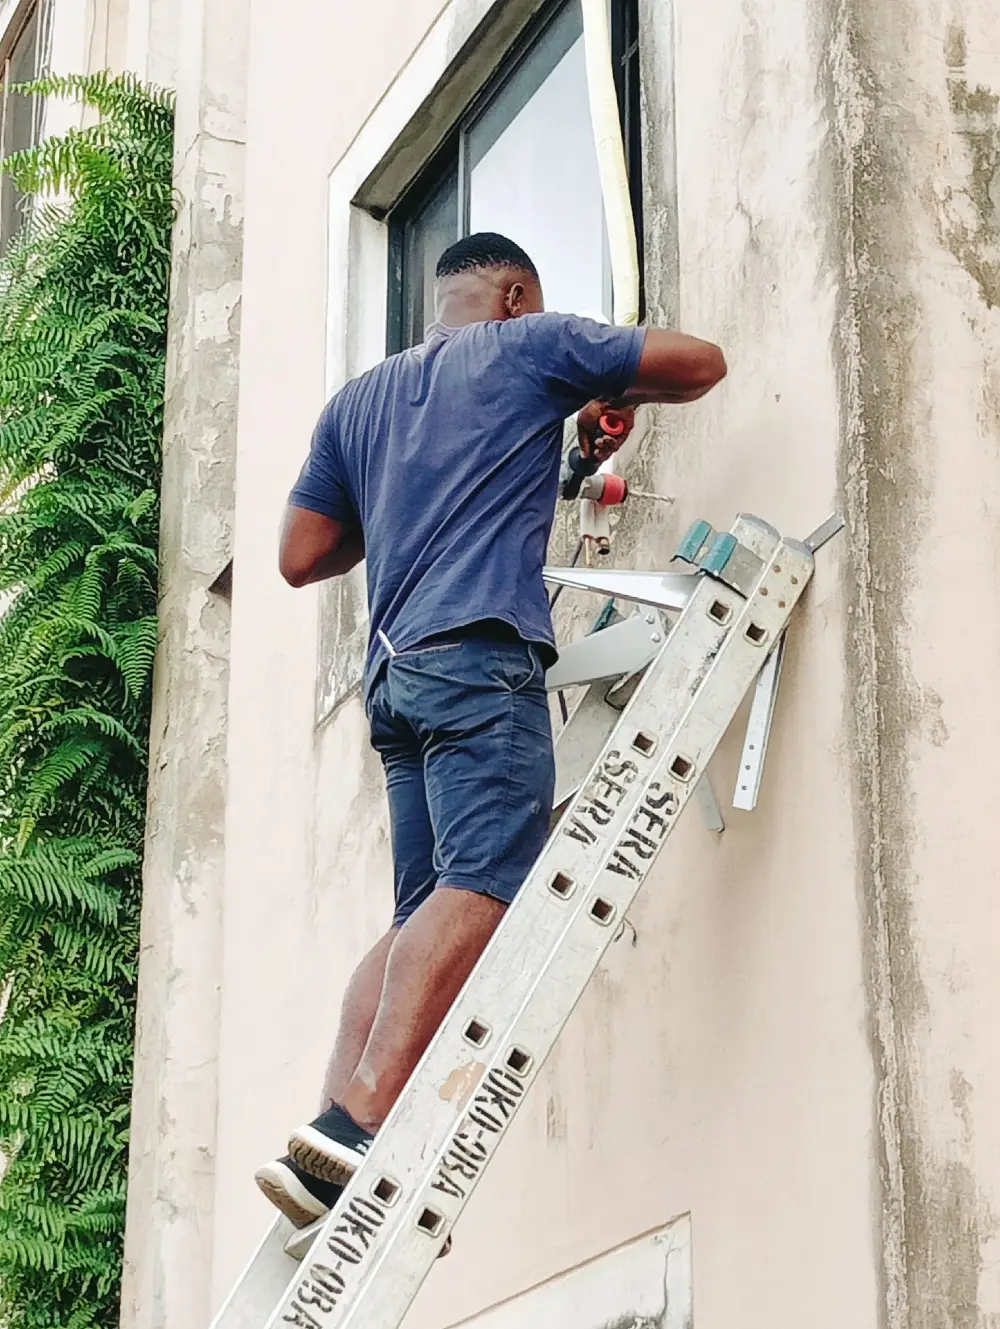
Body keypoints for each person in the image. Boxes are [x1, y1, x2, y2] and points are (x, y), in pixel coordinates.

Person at [254, 232, 726, 1227]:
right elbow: (700, 364)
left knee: (422, 911)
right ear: (514, 295)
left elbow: (301, 555)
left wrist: (402, 502)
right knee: (487, 886)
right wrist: (607, 386)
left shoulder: (358, 404)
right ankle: (354, 1124)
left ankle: (323, 1143)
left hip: (395, 679)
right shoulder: (531, 348)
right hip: (477, 661)